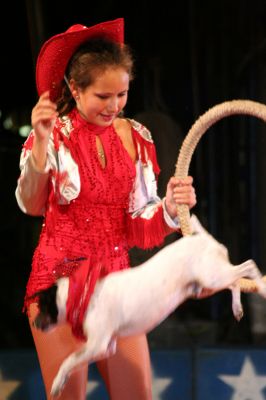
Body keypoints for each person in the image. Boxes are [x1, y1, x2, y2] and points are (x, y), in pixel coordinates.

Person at [15, 18, 196, 400]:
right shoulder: (54, 135)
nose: (114, 106)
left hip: (116, 289)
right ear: (74, 89)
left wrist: (169, 207)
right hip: (60, 283)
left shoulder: (138, 138)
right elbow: (32, 204)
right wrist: (42, 146)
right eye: (103, 96)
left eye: (122, 95)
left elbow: (137, 228)